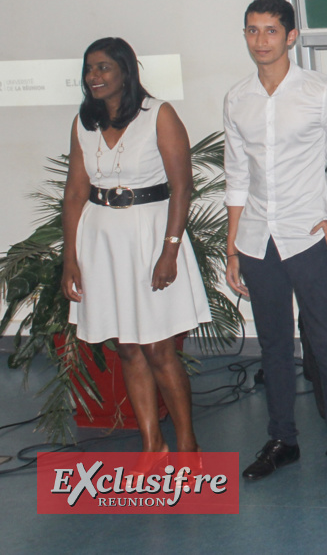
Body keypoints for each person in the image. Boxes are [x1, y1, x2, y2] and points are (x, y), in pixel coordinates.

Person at [224, 0, 327, 484]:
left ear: (291, 36)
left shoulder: (322, 91)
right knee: (274, 344)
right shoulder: (237, 98)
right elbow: (237, 175)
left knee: (324, 337)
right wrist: (231, 246)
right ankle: (282, 439)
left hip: (308, 236)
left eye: (269, 31)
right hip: (257, 238)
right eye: (251, 31)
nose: (260, 40)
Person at [61, 37, 209, 455]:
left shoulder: (158, 114)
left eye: (105, 67)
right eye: (90, 69)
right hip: (102, 240)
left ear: (126, 71)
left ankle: (186, 444)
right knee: (127, 347)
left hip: (150, 236)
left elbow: (182, 187)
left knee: (159, 348)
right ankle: (151, 444)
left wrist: (170, 249)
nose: (95, 76)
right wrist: (69, 258)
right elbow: (75, 193)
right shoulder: (83, 123)